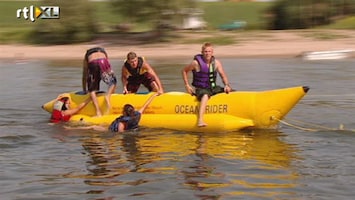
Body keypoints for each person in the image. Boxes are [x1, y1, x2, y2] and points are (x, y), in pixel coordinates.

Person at [182, 42, 232, 127]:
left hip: (213, 88)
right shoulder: (196, 63)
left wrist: (227, 85)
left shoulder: (216, 63)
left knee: (230, 91)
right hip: (201, 89)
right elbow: (184, 71)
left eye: (209, 51)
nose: (207, 53)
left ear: (212, 52)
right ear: (202, 52)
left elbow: (223, 76)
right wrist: (187, 85)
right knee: (205, 96)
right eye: (205, 51)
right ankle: (200, 120)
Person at [65, 93, 158, 133]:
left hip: (110, 131)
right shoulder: (137, 115)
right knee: (100, 124)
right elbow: (144, 106)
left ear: (124, 113)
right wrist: (153, 96)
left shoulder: (122, 122)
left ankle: (70, 129)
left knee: (93, 127)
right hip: (130, 129)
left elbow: (119, 133)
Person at [82, 47, 117, 117]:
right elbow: (109, 67)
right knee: (113, 81)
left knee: (92, 89)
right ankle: (108, 96)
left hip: (93, 63)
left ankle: (98, 111)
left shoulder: (87, 55)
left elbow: (84, 74)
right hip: (103, 61)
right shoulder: (103, 52)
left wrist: (85, 90)